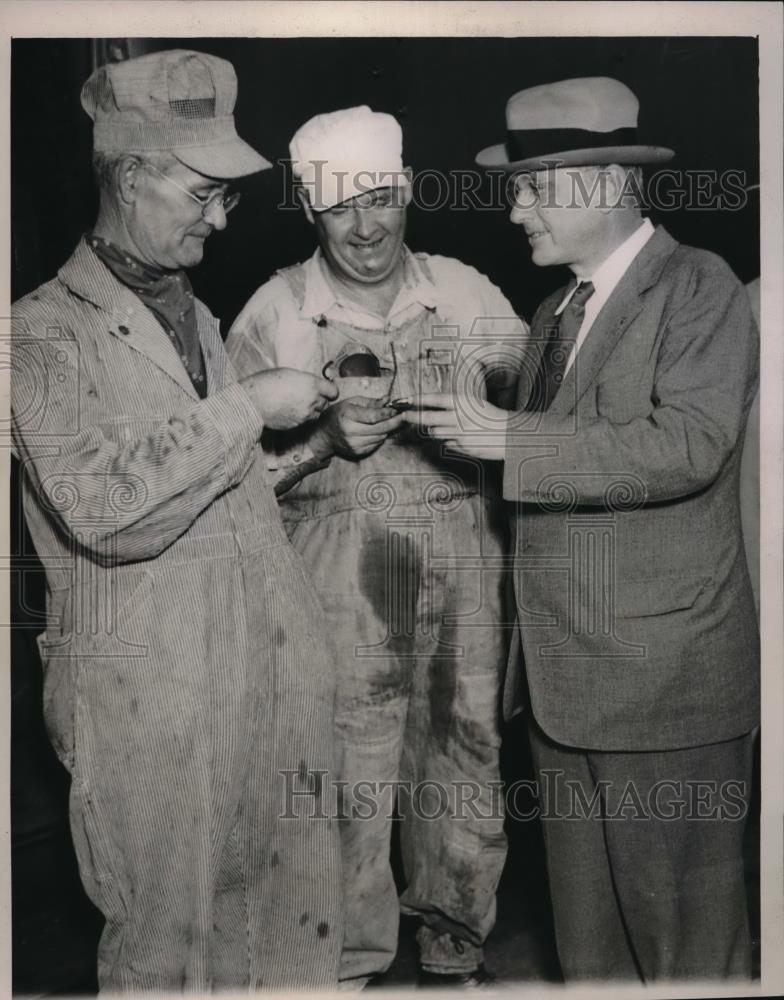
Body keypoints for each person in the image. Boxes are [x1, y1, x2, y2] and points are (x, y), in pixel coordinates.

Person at [403, 77, 759, 981]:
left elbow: (689, 443)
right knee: (591, 950)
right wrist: (464, 426)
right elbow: (558, 463)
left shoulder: (699, 287)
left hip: (660, 693)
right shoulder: (553, 313)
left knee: (684, 952)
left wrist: (508, 436)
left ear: (602, 183)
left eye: (532, 185)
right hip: (562, 690)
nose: (515, 207)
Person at [11, 49, 342, 991]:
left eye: (230, 196)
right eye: (203, 191)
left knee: (272, 939)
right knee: (167, 953)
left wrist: (318, 446)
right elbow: (104, 508)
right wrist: (248, 408)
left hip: (255, 676)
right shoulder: (38, 333)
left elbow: (214, 501)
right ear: (127, 176)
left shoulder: (189, 314)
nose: (221, 216)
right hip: (146, 705)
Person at [227, 105, 526, 988]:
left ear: (406, 191)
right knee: (345, 791)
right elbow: (228, 481)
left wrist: (488, 414)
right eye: (339, 208)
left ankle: (454, 951)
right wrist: (319, 443)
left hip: (464, 587)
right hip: (336, 592)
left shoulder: (466, 294)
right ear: (312, 215)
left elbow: (552, 404)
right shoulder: (275, 314)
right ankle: (345, 967)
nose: (365, 227)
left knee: (465, 772)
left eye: (380, 199)